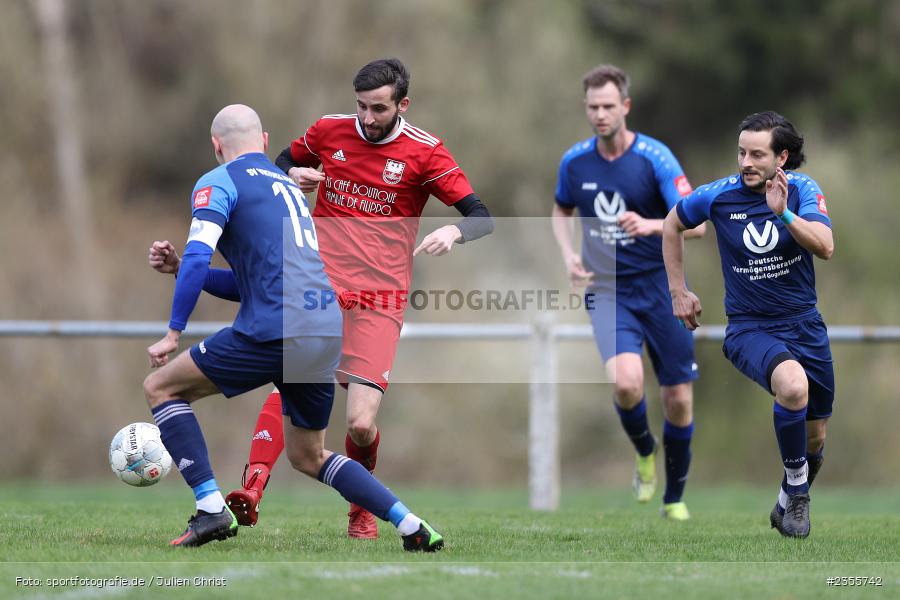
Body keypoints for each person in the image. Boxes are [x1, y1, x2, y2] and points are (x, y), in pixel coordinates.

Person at [143, 104, 443, 551]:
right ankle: (412, 524)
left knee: (161, 388)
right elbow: (250, 283)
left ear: (215, 146)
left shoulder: (218, 182)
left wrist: (173, 330)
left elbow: (199, 256)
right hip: (324, 330)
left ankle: (210, 511)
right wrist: (180, 270)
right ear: (264, 143)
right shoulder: (286, 185)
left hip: (275, 328)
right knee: (308, 455)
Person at [221, 58, 491, 538]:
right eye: (361, 106)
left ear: (402, 104)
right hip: (318, 285)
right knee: (290, 383)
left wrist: (454, 229)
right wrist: (293, 179)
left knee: (361, 426)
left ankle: (360, 506)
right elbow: (279, 164)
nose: (367, 118)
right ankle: (252, 489)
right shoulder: (329, 131)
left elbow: (481, 215)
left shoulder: (426, 153)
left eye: (379, 109)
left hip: (380, 299)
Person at [662, 111, 834, 538]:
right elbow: (673, 223)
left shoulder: (803, 191)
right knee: (793, 386)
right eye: (741, 152)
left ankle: (784, 503)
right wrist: (678, 291)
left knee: (815, 442)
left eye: (757, 154)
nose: (745, 162)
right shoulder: (718, 196)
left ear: (782, 157)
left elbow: (826, 246)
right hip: (749, 329)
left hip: (805, 326)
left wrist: (784, 216)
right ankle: (798, 496)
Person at [551, 64, 705, 520]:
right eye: (593, 107)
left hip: (662, 289)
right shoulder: (574, 161)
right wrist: (568, 255)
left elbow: (694, 226)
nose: (600, 114)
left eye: (608, 106)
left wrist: (653, 224)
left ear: (626, 107)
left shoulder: (656, 158)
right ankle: (643, 452)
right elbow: (560, 211)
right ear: (586, 108)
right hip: (606, 289)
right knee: (625, 382)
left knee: (677, 398)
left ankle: (674, 497)